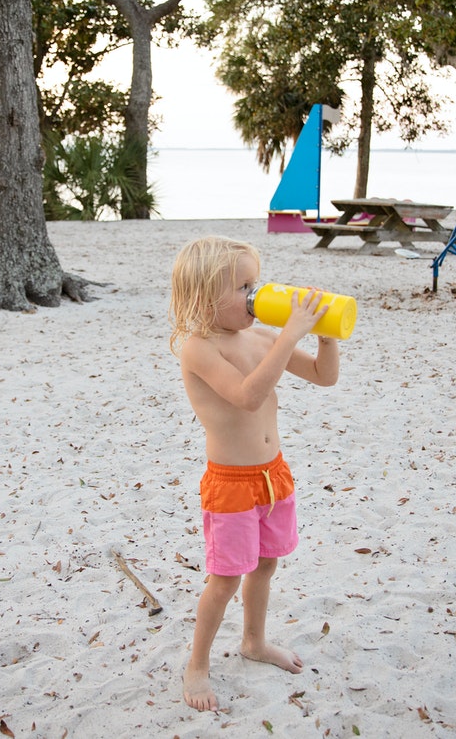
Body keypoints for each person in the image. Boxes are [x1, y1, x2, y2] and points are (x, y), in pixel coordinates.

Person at [169, 236, 341, 712]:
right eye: (242, 286)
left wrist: (324, 333)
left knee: (266, 565)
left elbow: (324, 377)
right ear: (204, 296)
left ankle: (253, 641)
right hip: (231, 482)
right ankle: (197, 665)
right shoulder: (198, 349)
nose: (254, 294)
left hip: (272, 474)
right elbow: (246, 395)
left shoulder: (262, 336)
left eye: (254, 283)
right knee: (225, 578)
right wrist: (290, 335)